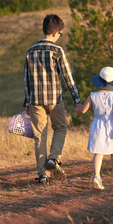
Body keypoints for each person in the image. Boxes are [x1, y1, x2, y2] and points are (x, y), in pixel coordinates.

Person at [23, 14, 81, 184]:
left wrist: (27, 103)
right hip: (55, 99)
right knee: (60, 129)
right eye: (60, 34)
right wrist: (76, 98)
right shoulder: (57, 51)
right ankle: (53, 159)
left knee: (39, 136)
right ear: (56, 32)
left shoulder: (30, 51)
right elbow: (67, 77)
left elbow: (26, 80)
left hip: (35, 100)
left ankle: (42, 175)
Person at [75, 67, 113, 190]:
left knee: (99, 151)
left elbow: (83, 110)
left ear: (99, 81)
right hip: (112, 124)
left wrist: (77, 107)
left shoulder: (93, 95)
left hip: (98, 125)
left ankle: (96, 176)